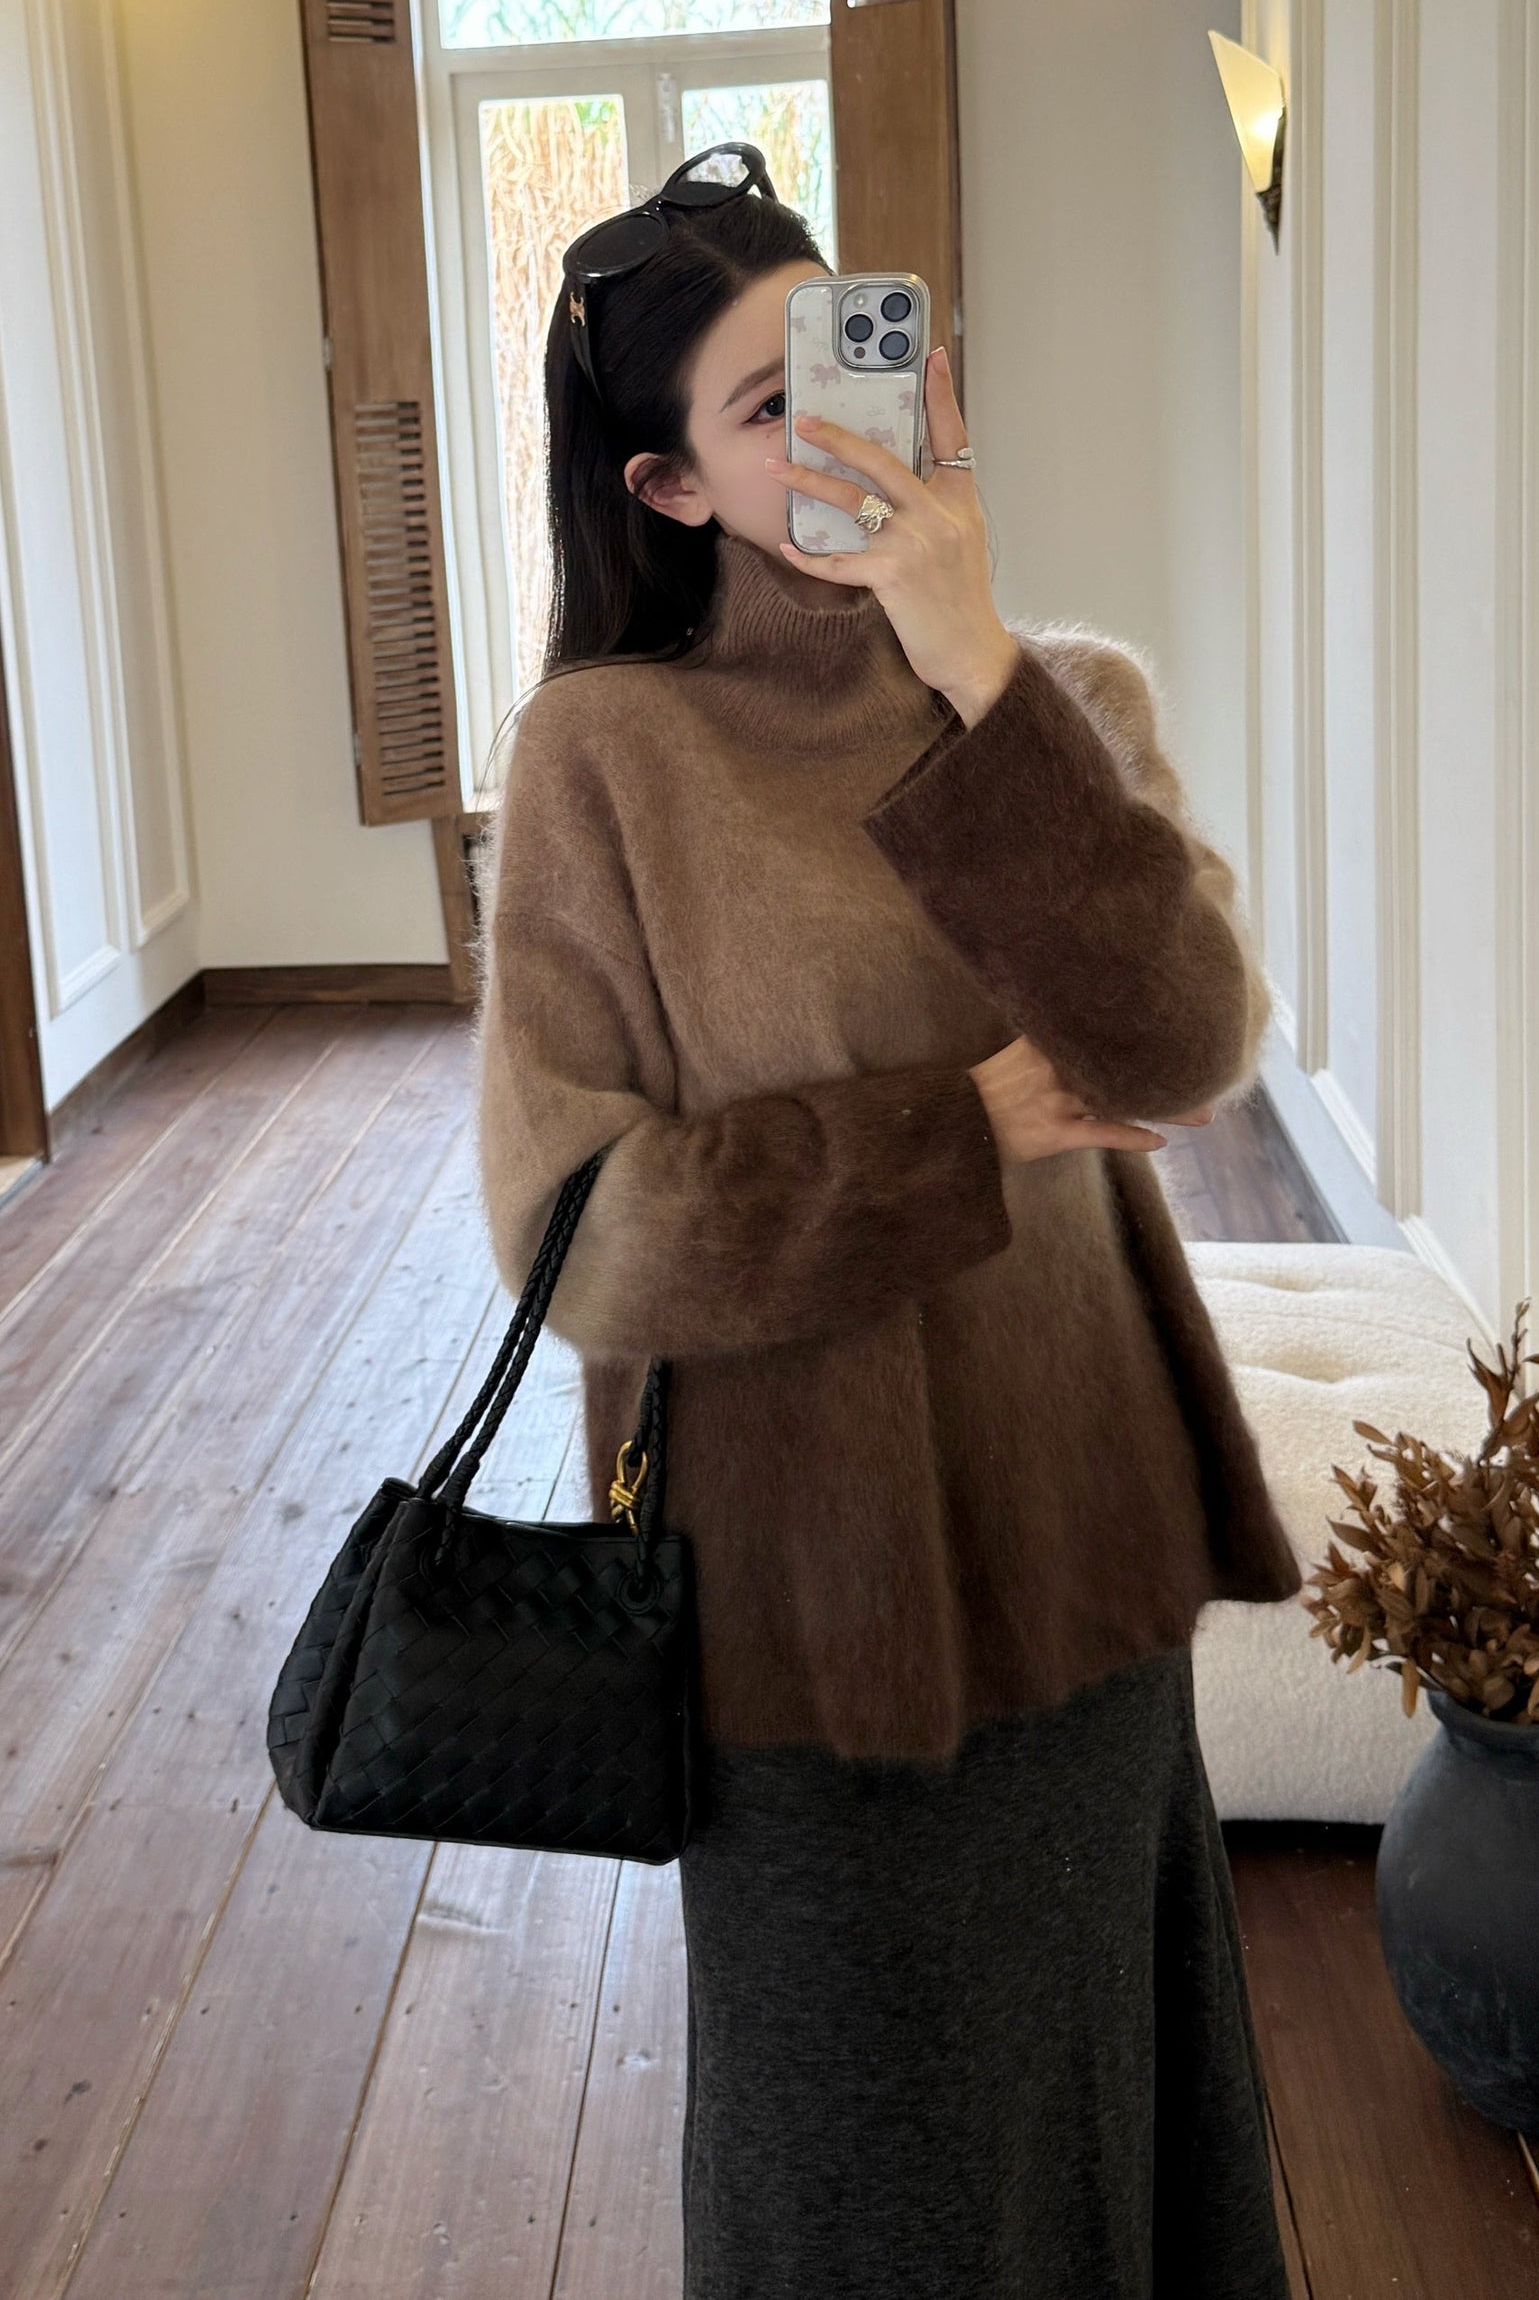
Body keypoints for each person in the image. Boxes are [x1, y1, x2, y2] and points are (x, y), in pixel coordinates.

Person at [474, 142, 1302, 2300]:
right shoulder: (604, 759)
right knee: (859, 2174)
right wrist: (959, 1131)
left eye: (865, 354)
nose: (848, 425)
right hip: (804, 1602)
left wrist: (973, 664)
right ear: (668, 488)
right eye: (772, 407)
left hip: (1082, 1534)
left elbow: (1189, 1038)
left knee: (1106, 2110)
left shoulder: (1064, 702)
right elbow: (574, 1230)